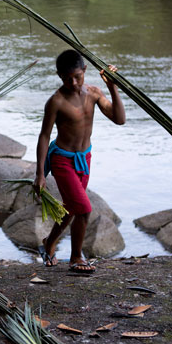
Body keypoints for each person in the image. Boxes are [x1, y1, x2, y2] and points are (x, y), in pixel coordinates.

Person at [33, 49, 125, 272]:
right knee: (83, 208)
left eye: (78, 76)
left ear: (85, 70)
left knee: (71, 209)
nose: (73, 82)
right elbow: (44, 136)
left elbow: (119, 119)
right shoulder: (55, 101)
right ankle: (76, 257)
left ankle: (49, 242)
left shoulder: (94, 93)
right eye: (67, 78)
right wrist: (39, 174)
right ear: (59, 76)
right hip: (62, 160)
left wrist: (113, 87)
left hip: (84, 158)